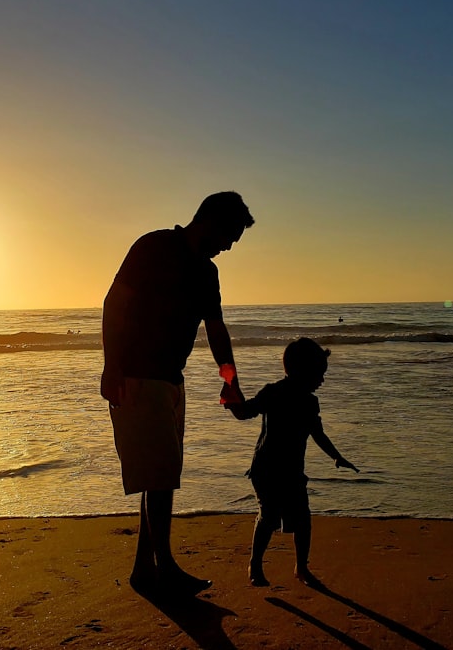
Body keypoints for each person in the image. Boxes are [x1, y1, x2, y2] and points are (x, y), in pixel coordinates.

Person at [101, 191, 254, 596]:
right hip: (137, 375)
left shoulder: (207, 273)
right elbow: (114, 303)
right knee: (162, 476)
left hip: (172, 378)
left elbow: (216, 330)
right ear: (210, 220)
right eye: (230, 235)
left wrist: (230, 379)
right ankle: (164, 567)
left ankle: (143, 568)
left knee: (159, 475)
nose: (229, 246)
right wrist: (110, 365)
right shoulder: (153, 247)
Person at [224, 337, 359, 587]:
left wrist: (337, 456)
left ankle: (301, 567)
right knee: (269, 517)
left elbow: (318, 434)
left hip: (292, 472)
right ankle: (255, 564)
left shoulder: (309, 402)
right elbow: (246, 411)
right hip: (265, 469)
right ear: (302, 371)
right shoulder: (273, 393)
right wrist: (231, 400)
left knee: (302, 520)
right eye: (319, 374)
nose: (322, 380)